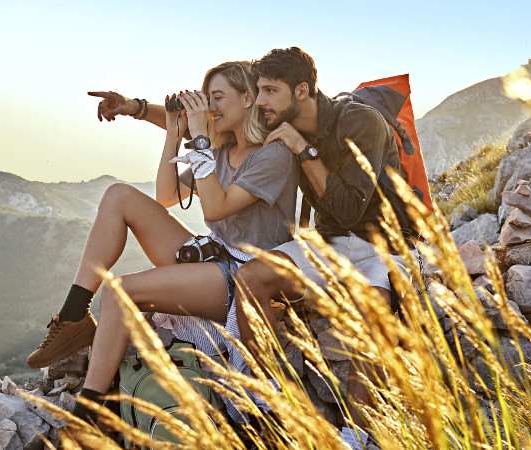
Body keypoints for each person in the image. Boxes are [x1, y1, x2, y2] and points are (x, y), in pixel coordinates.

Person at [24, 61, 299, 422]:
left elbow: (215, 210)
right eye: (207, 98)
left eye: (218, 97)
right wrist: (172, 131)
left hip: (245, 275)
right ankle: (73, 316)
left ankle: (90, 412)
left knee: (119, 292)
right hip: (212, 255)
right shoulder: (219, 151)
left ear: (248, 99)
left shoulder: (272, 155)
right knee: (119, 195)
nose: (210, 107)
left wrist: (198, 136)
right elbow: (166, 195)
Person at [231, 47, 417, 449]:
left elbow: (350, 210)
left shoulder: (360, 122)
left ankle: (358, 436)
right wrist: (138, 108)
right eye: (258, 90)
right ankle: (268, 404)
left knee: (371, 322)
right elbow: (223, 118)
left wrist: (304, 149)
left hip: (383, 247)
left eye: (269, 90)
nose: (259, 101)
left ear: (302, 90)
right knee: (250, 279)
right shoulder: (278, 118)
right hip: (329, 244)